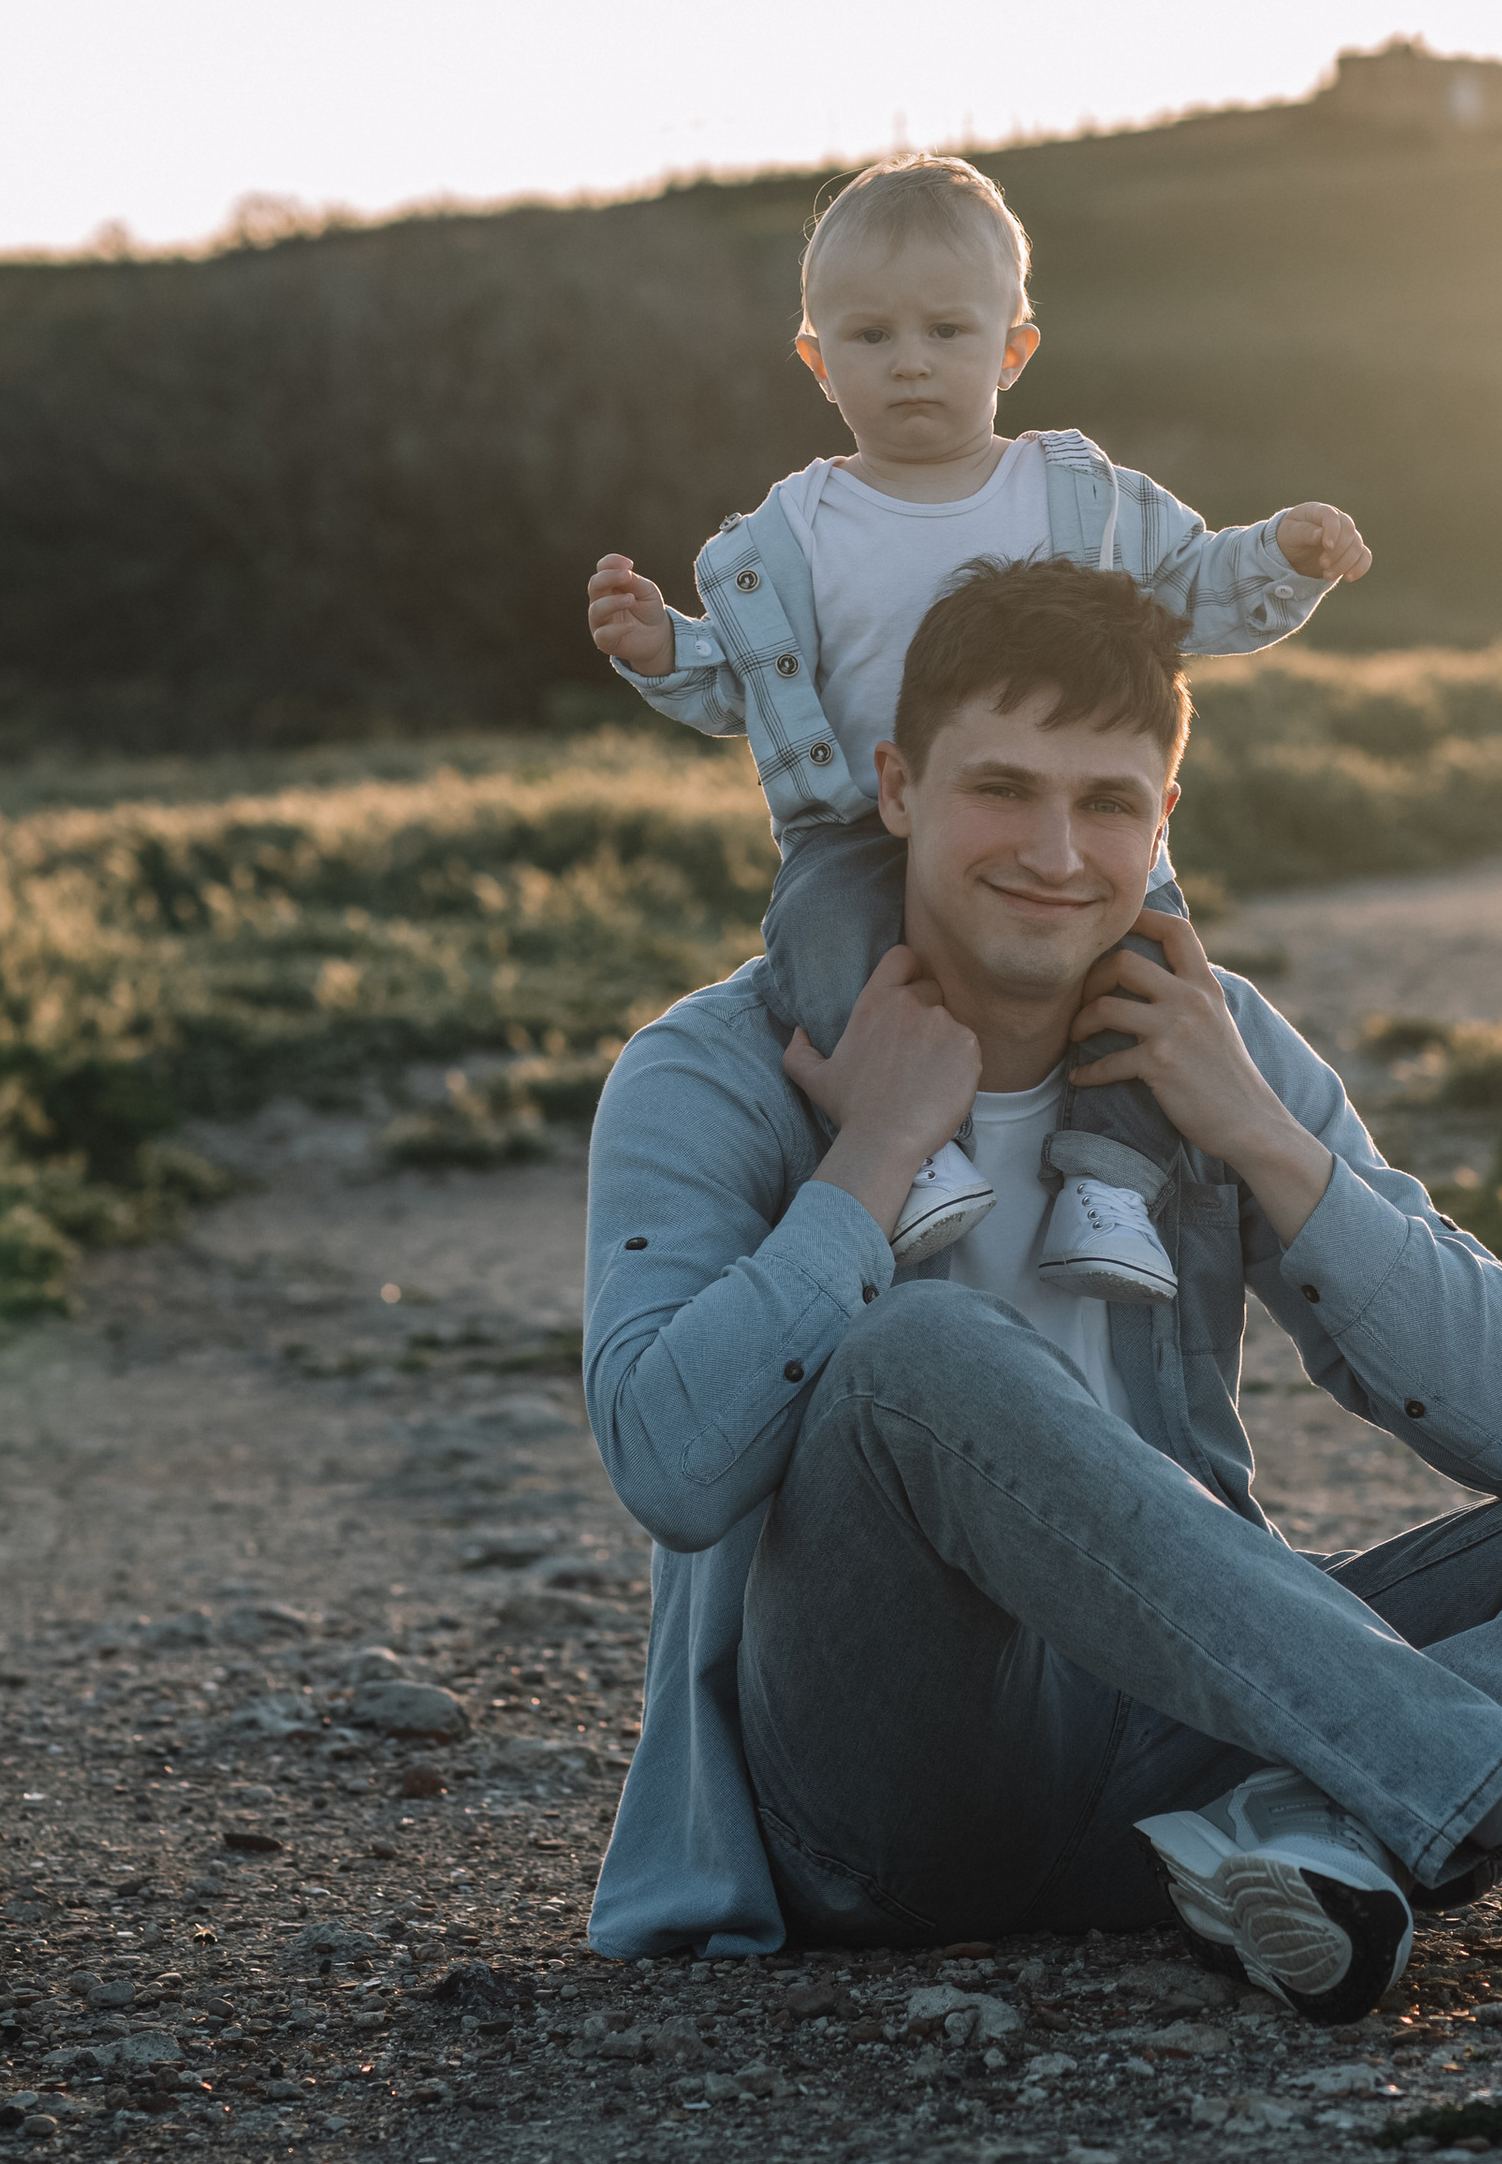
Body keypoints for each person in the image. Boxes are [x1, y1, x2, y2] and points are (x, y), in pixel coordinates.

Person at [581, 558, 1502, 2020]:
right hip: (888, 1809)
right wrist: (868, 1159)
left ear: (1163, 819)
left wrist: (1258, 1135)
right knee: (920, 1353)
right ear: (898, 785)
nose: (1056, 850)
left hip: (1177, 1756)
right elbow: (671, 1462)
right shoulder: (716, 1066)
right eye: (1004, 787)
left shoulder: (1209, 1039)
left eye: (1109, 801)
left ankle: (1320, 1831)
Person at [586, 149, 1371, 1307]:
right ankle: (915, 1153)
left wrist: (1283, 552)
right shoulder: (791, 532)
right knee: (824, 951)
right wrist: (662, 649)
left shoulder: (1076, 497)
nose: (910, 363)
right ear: (816, 359)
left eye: (948, 333)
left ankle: (1111, 1186)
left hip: (1056, 813)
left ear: (1012, 348)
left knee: (1138, 984)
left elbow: (1193, 590)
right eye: (869, 337)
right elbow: (739, 680)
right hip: (858, 826)